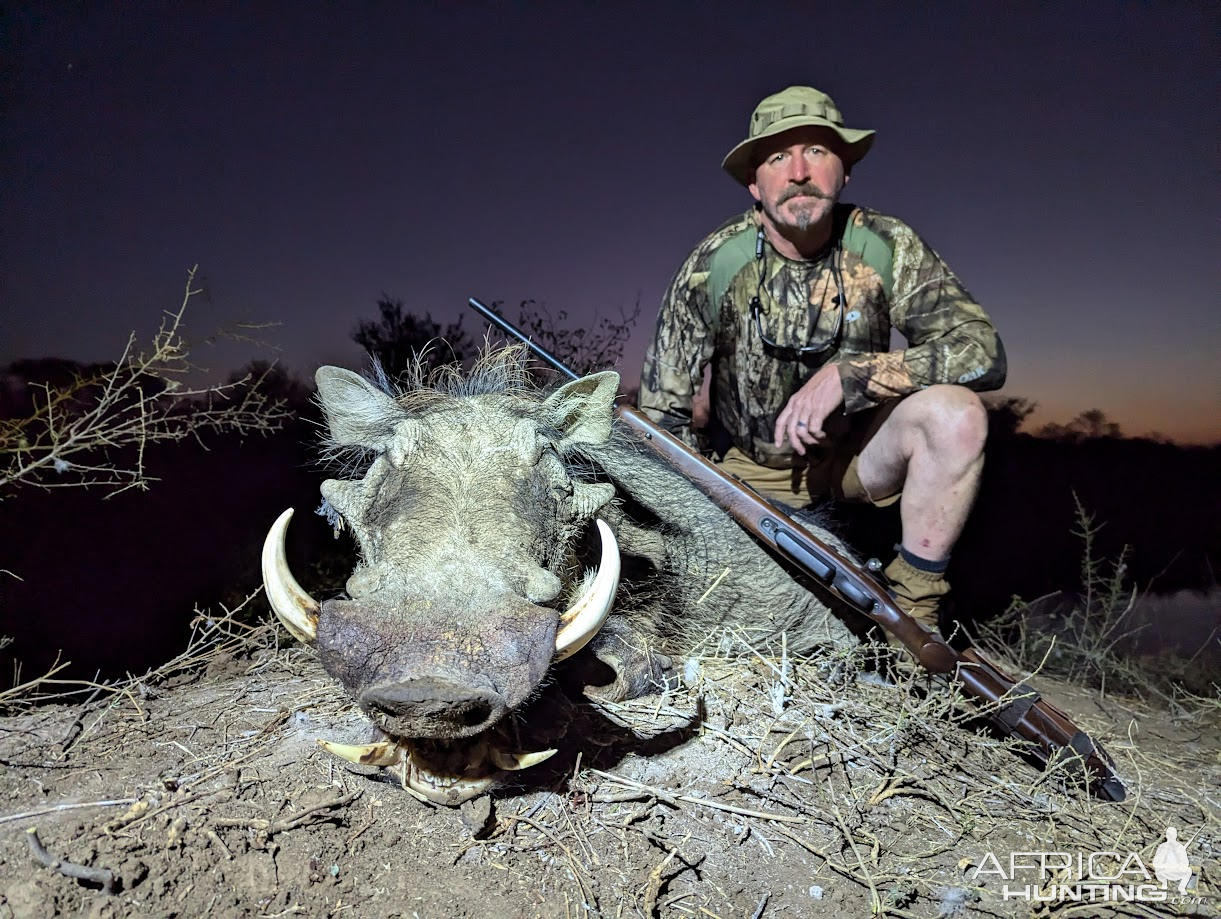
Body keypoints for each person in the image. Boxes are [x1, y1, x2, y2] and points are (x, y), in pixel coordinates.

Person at [639, 86, 1006, 645]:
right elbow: (660, 414)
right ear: (754, 185)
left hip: (860, 458)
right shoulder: (713, 263)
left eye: (818, 151)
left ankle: (915, 617)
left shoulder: (886, 245)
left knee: (958, 416)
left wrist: (853, 375)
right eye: (778, 157)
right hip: (749, 470)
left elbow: (982, 351)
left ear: (845, 171)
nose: (800, 172)